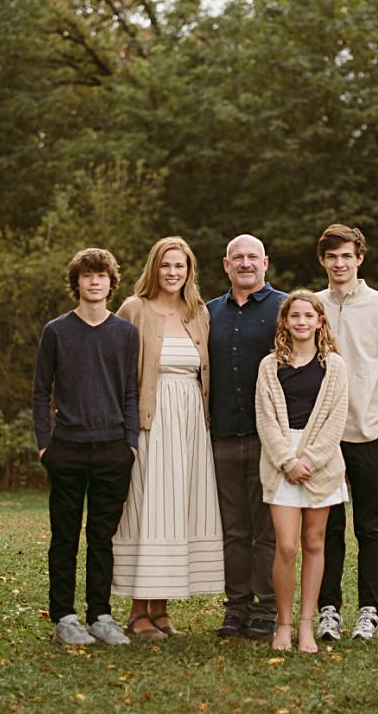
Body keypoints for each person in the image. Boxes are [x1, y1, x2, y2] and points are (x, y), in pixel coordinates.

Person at [111, 237, 225, 639]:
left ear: (189, 270)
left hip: (191, 420)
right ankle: (137, 612)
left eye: (180, 266)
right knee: (147, 509)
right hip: (150, 420)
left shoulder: (199, 313)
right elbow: (119, 370)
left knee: (176, 510)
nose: (172, 273)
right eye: (166, 266)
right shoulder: (134, 309)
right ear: (154, 269)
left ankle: (160, 611)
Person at [33, 247, 139, 646]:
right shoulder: (56, 331)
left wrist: (130, 444)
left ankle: (100, 615)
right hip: (68, 450)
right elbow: (41, 391)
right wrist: (46, 445)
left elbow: (131, 390)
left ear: (112, 284)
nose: (94, 282)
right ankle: (64, 616)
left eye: (101, 276)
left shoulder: (125, 333)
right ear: (76, 282)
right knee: (64, 536)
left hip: (113, 449)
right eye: (87, 276)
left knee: (101, 537)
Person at [314, 224, 378, 642]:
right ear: (322, 261)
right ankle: (328, 610)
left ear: (360, 259)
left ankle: (369, 611)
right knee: (326, 529)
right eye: (332, 257)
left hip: (368, 436)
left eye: (347, 256)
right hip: (324, 440)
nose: (340, 264)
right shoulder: (312, 306)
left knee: (368, 527)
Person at [255, 291, 348, 653]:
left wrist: (310, 459)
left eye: (309, 316)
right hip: (281, 464)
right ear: (285, 322)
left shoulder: (334, 366)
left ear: (319, 321)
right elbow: (265, 419)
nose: (302, 322)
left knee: (314, 542)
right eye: (295, 316)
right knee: (288, 546)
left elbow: (336, 420)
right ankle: (283, 624)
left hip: (321, 465)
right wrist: (288, 461)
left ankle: (306, 627)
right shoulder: (269, 366)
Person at [206, 234, 287, 640]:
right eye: (237, 257)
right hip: (220, 436)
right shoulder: (207, 314)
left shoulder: (284, 309)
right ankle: (236, 608)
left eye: (252, 256)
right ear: (225, 265)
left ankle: (267, 608)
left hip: (267, 438)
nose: (245, 263)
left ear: (266, 262)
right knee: (233, 529)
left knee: (265, 529)